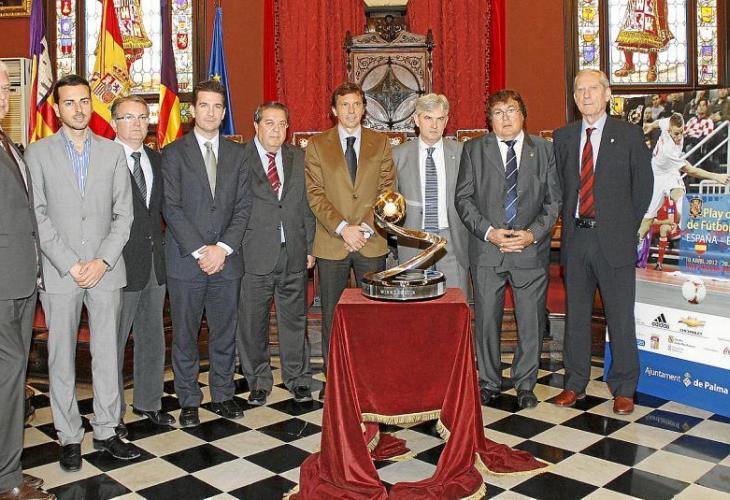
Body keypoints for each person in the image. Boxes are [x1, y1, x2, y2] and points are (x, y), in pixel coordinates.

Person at [25, 74, 138, 471]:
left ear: (93, 104)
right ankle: (69, 435)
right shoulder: (37, 153)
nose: (78, 109)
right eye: (69, 102)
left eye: (84, 101)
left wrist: (101, 261)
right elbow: (37, 216)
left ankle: (107, 430)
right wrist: (71, 263)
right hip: (61, 273)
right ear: (57, 109)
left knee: (107, 353)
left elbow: (124, 216)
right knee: (61, 358)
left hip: (106, 270)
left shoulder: (112, 153)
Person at [552, 69, 653, 415]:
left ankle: (624, 387)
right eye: (580, 90)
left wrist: (625, 228)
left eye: (593, 88)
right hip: (577, 239)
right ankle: (574, 383)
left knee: (620, 316)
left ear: (607, 93)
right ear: (574, 97)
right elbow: (560, 187)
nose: (586, 95)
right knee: (576, 315)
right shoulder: (564, 137)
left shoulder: (629, 135)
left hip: (614, 240)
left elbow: (643, 187)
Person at [455, 89, 561, 409]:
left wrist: (531, 235)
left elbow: (553, 201)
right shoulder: (474, 149)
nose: (505, 118)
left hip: (529, 251)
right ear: (490, 120)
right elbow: (463, 198)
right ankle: (488, 382)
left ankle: (525, 383)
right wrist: (489, 232)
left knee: (530, 321)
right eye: (498, 113)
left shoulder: (545, 150)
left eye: (511, 110)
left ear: (523, 115)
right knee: (487, 321)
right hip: (488, 250)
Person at [162, 80, 251, 427]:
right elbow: (171, 207)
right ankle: (188, 400)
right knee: (185, 336)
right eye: (204, 105)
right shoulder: (173, 153)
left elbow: (243, 207)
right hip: (187, 262)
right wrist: (202, 251)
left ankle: (224, 394)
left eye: (217, 106)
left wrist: (222, 249)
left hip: (227, 261)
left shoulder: (238, 154)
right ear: (192, 110)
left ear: (224, 112)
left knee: (224, 333)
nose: (211, 112)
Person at [305, 82, 396, 399]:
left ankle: (371, 377)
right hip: (333, 242)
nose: (351, 110)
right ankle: (335, 379)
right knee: (332, 314)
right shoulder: (317, 145)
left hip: (371, 241)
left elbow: (387, 190)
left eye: (356, 104)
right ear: (334, 110)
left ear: (364, 108)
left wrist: (365, 228)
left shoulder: (380, 143)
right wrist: (344, 228)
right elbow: (315, 195)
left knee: (374, 314)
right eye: (344, 104)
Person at [236, 102, 315, 406]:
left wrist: (310, 248)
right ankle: (258, 380)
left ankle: (298, 379)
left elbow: (306, 206)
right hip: (253, 254)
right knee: (252, 323)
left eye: (282, 124)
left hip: (293, 252)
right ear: (256, 125)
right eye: (270, 123)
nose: (276, 130)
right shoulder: (239, 158)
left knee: (295, 320)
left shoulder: (298, 157)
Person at [0, 60, 54, 500]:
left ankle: (9, 468)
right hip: (2, 285)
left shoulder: (8, 142)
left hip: (20, 281)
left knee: (12, 379)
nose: (4, 97)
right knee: (8, 375)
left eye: (6, 88)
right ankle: (6, 480)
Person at [110, 96, 175, 435]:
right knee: (114, 342)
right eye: (128, 117)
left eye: (142, 117)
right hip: (117, 266)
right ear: (114, 123)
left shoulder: (155, 159)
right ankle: (111, 413)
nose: (137, 123)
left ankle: (149, 402)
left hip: (154, 263)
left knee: (152, 337)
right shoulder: (103, 159)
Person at [392, 93, 470, 298]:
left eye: (440, 118)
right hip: (413, 241)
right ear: (416, 120)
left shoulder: (462, 153)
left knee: (454, 302)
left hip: (451, 240)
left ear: (446, 120)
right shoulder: (398, 155)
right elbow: (391, 202)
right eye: (428, 118)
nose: (434, 125)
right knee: (415, 306)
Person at [638, 113, 729, 243]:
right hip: (658, 176)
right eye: (676, 134)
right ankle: (633, 246)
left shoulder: (669, 122)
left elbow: (659, 122)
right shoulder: (668, 149)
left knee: (680, 197)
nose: (679, 137)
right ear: (669, 130)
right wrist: (716, 176)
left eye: (681, 132)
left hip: (669, 172)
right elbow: (691, 171)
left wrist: (651, 125)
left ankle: (690, 228)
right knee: (648, 219)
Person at [613, 0, 674, 83]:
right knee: (629, 28)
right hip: (636, 3)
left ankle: (652, 67)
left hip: (652, 4)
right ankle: (629, 64)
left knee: (652, 31)